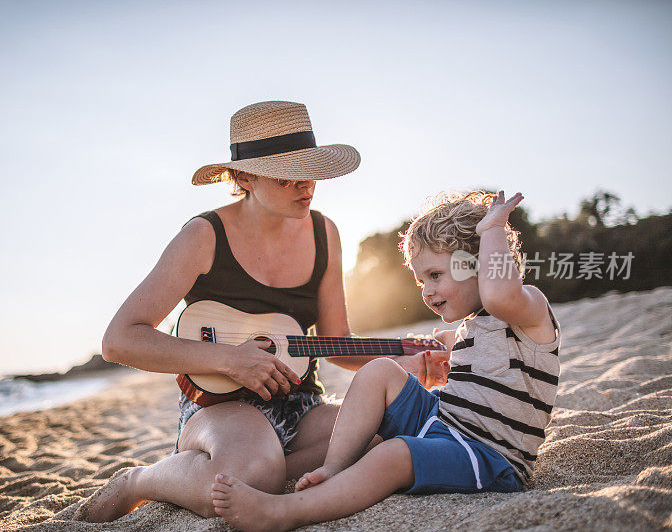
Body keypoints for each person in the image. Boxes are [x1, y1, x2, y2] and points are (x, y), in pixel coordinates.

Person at [73, 101, 448, 522]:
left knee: (388, 433)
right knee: (248, 471)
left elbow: (336, 340)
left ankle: (265, 470)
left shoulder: (325, 233)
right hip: (218, 406)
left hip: (300, 402)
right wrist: (231, 360)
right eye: (288, 178)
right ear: (245, 176)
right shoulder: (203, 236)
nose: (305, 187)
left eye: (311, 173)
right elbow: (119, 339)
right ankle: (140, 480)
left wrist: (403, 359)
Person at [209, 190, 562, 532]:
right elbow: (456, 357)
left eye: (435, 276)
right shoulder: (472, 326)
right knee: (379, 371)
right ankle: (335, 467)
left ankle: (283, 513)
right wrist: (435, 355)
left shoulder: (526, 309)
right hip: (446, 426)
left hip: (489, 457)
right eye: (421, 280)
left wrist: (492, 231)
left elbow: (500, 294)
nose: (426, 291)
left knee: (394, 454)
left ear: (476, 262)